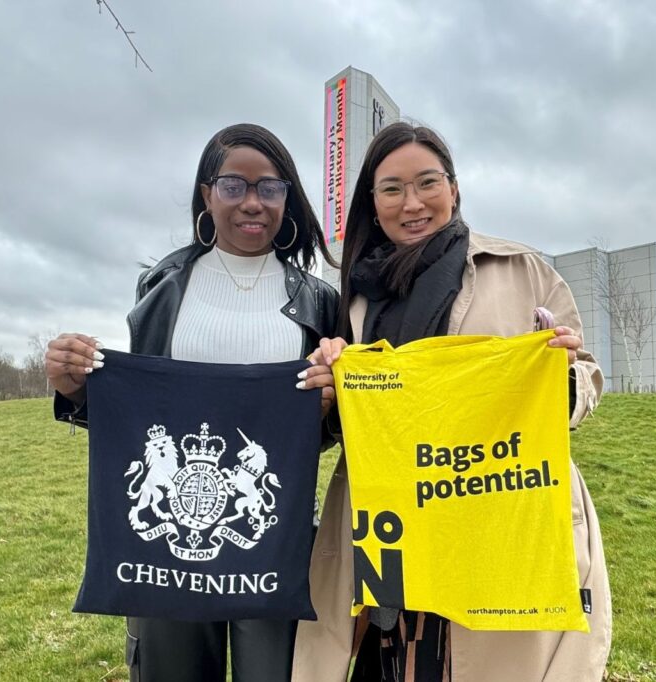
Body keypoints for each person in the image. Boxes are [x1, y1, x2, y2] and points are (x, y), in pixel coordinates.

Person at [293, 122, 610, 681]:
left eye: (427, 183)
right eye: (391, 188)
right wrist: (331, 389)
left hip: (490, 505)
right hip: (389, 521)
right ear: (372, 201)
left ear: (454, 188)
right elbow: (355, 421)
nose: (411, 203)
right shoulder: (357, 295)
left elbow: (585, 379)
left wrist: (559, 380)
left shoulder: (522, 270)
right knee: (387, 654)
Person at [44, 123, 340, 682]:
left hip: (272, 544)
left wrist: (327, 407)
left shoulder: (320, 300)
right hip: (165, 551)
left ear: (288, 198)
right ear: (206, 194)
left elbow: (328, 429)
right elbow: (141, 405)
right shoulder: (162, 285)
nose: (252, 202)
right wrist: (76, 388)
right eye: (234, 185)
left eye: (270, 187)